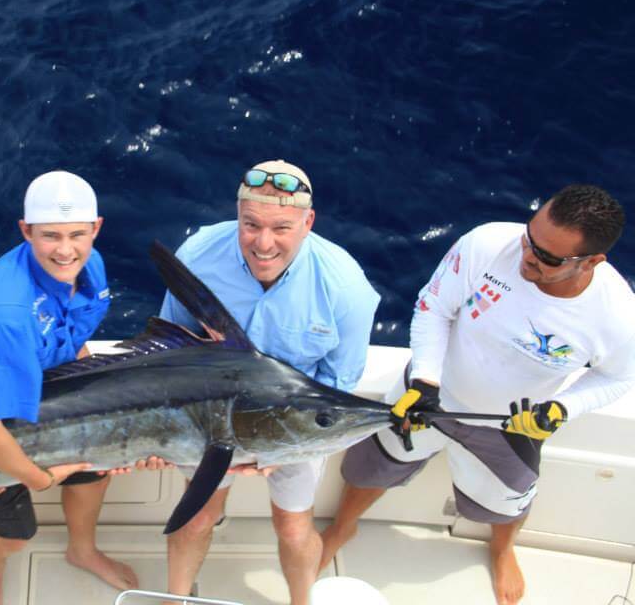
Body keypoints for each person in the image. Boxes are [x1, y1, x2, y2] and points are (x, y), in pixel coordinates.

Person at [319, 184, 635, 605]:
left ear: (592, 261)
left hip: (510, 424)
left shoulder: (616, 316)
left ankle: (502, 549)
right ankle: (343, 527)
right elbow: (433, 307)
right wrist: (426, 381)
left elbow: (616, 379)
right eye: (529, 238)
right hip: (429, 397)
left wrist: (561, 409)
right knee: (368, 467)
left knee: (508, 503)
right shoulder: (486, 243)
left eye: (548, 257)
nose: (527, 256)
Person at [157, 159, 380, 605]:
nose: (263, 243)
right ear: (237, 215)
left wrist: (280, 451)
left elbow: (336, 388)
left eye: (281, 227)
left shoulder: (346, 288)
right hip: (210, 418)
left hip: (296, 432)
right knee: (198, 518)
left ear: (308, 222)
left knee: (294, 526)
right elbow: (169, 351)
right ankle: (174, 599)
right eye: (250, 224)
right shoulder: (199, 254)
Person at [0, 170, 139, 605]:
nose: (65, 250)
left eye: (76, 235)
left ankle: (82, 549)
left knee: (95, 468)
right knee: (15, 533)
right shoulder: (3, 316)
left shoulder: (88, 266)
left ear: (95, 229)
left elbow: (73, 337)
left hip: (47, 400)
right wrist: (39, 477)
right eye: (50, 236)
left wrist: (95, 418)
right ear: (26, 231)